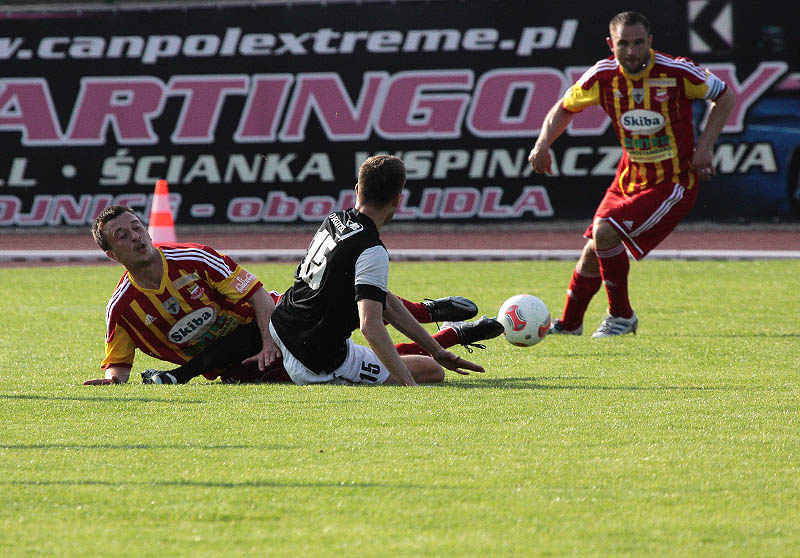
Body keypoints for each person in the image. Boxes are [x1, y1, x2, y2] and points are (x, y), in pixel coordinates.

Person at [85, 205, 500, 385]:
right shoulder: (123, 308)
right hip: (240, 367)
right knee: (371, 358)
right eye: (122, 235)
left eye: (137, 226)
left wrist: (269, 342)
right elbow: (118, 365)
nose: (135, 236)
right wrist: (112, 382)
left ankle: (428, 312)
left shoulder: (193, 259)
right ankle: (451, 337)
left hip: (278, 323)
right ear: (111, 255)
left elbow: (258, 296)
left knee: (355, 299)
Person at [528, 11, 735, 338]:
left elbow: (724, 96)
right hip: (629, 178)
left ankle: (621, 317)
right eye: (623, 43)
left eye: (639, 43)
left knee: (605, 232)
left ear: (650, 42)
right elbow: (564, 108)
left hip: (672, 181)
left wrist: (705, 147)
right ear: (611, 45)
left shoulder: (677, 71)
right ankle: (570, 325)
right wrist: (542, 144)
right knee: (594, 249)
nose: (632, 51)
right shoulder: (603, 75)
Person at [264, 154, 487, 386]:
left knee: (411, 358)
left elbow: (384, 301)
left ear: (357, 189)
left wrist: (436, 350)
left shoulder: (335, 219)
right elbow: (370, 326)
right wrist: (410, 386)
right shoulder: (371, 249)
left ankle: (445, 339)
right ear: (397, 200)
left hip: (282, 321)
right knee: (431, 371)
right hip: (313, 358)